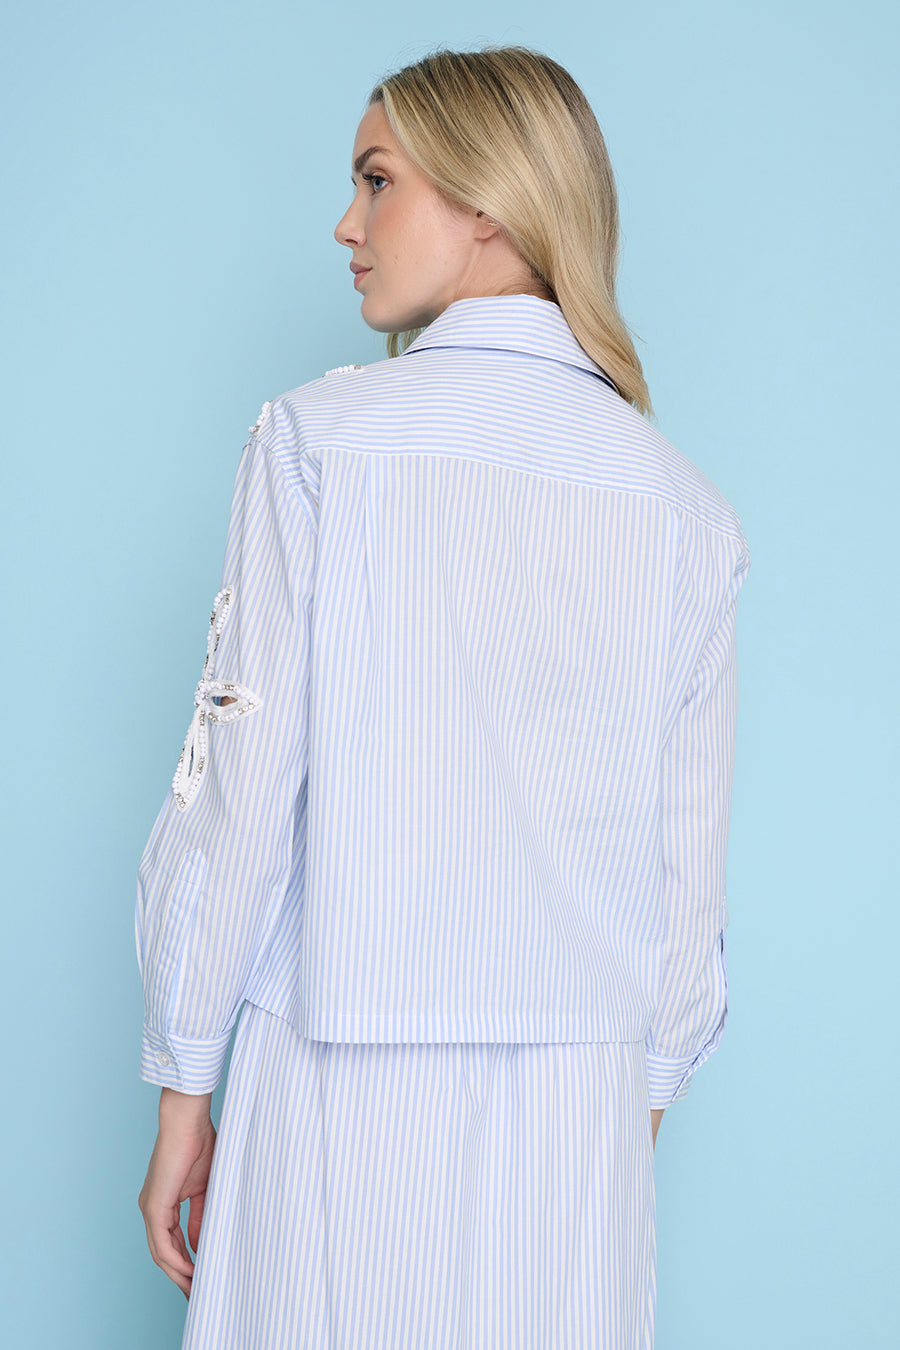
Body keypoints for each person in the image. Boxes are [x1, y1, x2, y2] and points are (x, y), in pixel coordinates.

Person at [136, 44, 750, 1349]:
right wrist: (622, 1111)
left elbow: (243, 794)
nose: (345, 226)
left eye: (377, 180)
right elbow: (685, 879)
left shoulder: (319, 443)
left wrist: (185, 1079)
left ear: (488, 203)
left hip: (337, 1071)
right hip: (581, 1107)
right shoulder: (686, 510)